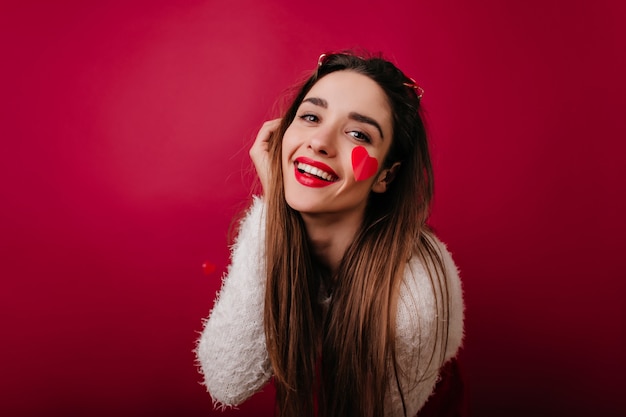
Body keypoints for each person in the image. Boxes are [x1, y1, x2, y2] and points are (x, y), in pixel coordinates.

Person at [196, 52, 464, 417]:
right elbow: (227, 380)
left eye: (358, 133)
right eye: (310, 117)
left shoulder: (413, 297)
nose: (319, 141)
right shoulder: (267, 229)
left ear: (386, 176)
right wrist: (274, 209)